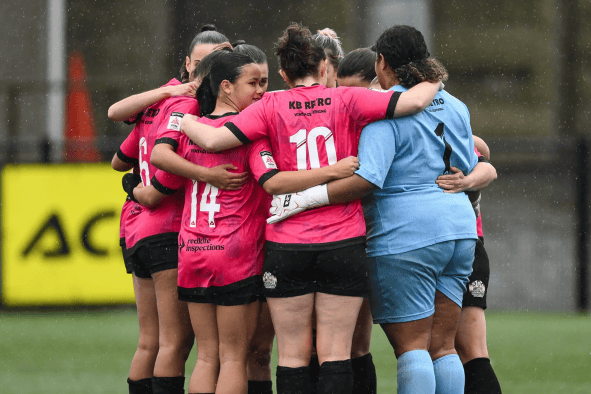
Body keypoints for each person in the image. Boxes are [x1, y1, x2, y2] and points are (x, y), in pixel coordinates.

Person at [175, 23, 441, 394]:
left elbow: (214, 138)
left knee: (292, 355)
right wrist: (436, 78)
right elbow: (413, 101)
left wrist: (182, 116)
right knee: (335, 352)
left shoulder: (269, 104)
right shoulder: (348, 98)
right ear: (323, 68)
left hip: (288, 244)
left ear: (282, 74)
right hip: (343, 241)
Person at [266, 25, 494, 394]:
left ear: (383, 63)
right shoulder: (455, 105)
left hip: (408, 234)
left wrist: (307, 197)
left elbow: (368, 179)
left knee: (412, 347)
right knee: (444, 346)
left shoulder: (386, 111)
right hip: (461, 230)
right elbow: (473, 162)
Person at [135, 50, 360, 394]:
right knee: (234, 358)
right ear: (226, 87)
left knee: (206, 357)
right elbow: (274, 180)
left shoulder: (188, 130)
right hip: (234, 253)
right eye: (253, 83)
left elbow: (159, 172)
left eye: (263, 83)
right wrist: (332, 171)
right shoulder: (248, 135)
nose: (260, 92)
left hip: (192, 250)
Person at [436, 136, 502, 394]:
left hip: (462, 245)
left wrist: (465, 182)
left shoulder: (443, 126)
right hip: (454, 244)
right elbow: (483, 149)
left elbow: (486, 165)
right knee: (444, 351)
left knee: (467, 352)